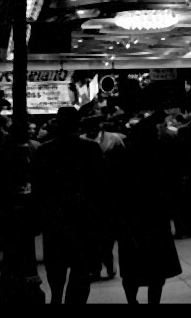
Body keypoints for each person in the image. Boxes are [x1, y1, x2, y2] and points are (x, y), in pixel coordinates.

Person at [31, 105, 104, 305]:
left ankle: (56, 298)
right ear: (78, 124)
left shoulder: (44, 151)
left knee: (56, 268)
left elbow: (38, 188)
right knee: (81, 270)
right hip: (83, 219)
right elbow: (100, 187)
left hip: (55, 219)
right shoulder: (91, 149)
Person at [117, 111, 182, 304]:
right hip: (155, 219)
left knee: (131, 268)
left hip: (132, 220)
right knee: (157, 269)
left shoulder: (125, 157)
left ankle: (132, 301)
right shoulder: (158, 157)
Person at [82, 114, 126, 280]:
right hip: (90, 194)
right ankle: (96, 265)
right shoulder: (82, 142)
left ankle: (107, 261)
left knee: (107, 234)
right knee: (92, 234)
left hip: (110, 192)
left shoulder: (115, 139)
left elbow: (123, 164)